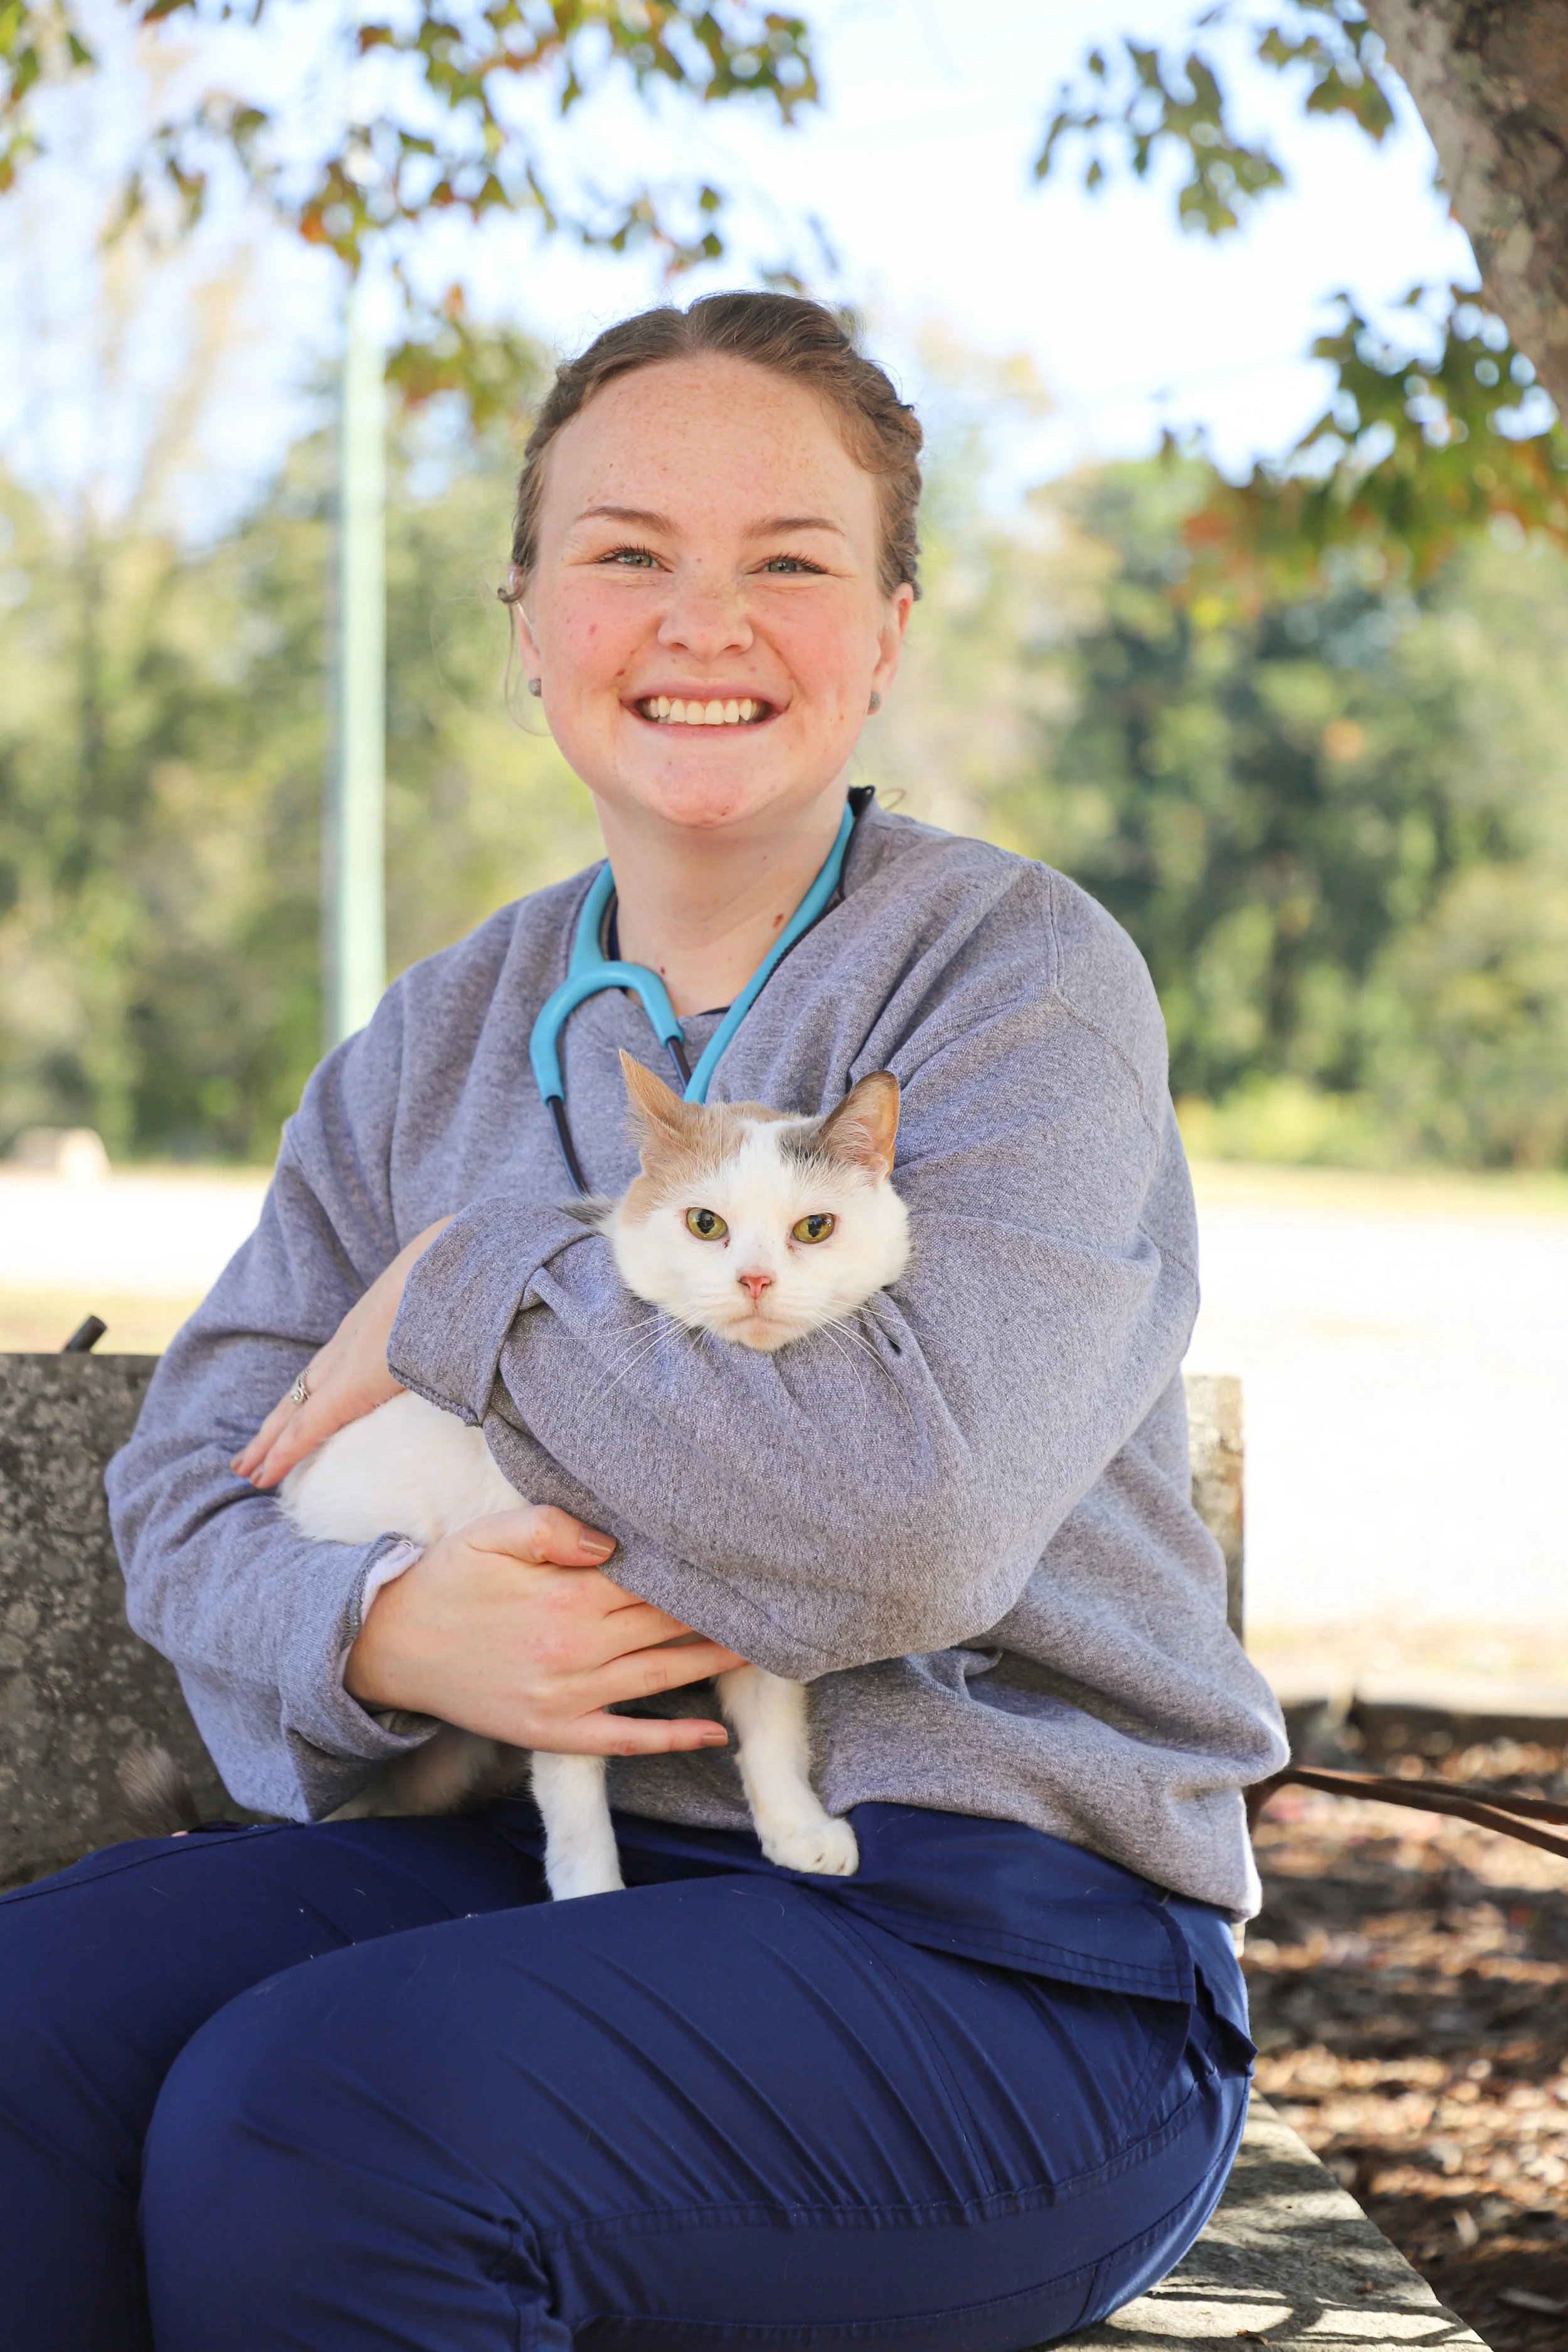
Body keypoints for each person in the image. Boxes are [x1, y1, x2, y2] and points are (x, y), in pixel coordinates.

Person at [0, 292, 1287, 2351]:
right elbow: (191, 1487)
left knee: (321, 2127)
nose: (705, 621)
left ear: (884, 632)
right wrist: (380, 1631)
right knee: (24, 2036)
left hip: (993, 1938)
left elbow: (897, 1525)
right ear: (526, 618)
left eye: (789, 560)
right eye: (622, 555)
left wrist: (463, 1284)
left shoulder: (1012, 984)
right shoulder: (429, 1035)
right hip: (543, 1865)